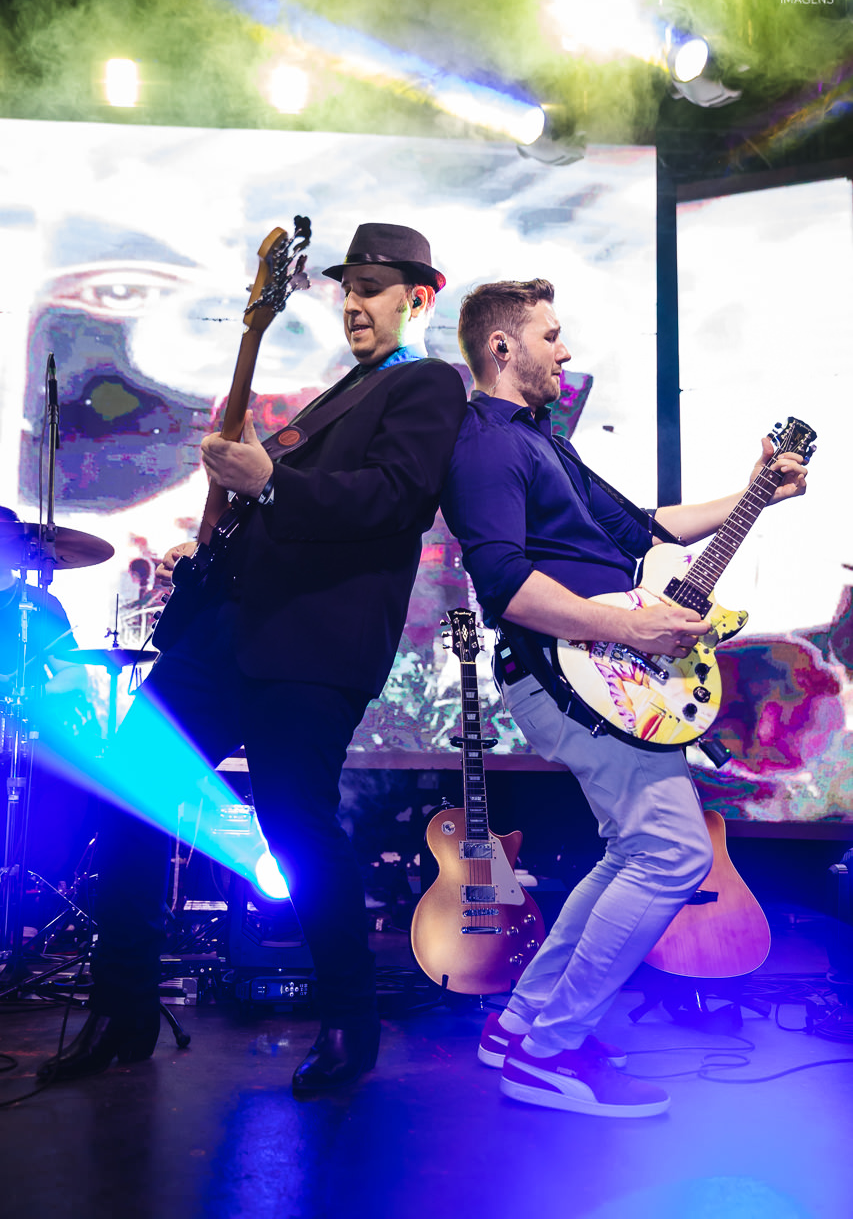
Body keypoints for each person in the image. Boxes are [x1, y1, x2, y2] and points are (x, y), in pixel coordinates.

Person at [38, 223, 468, 1091]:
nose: (353, 302)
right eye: (347, 286)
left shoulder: (425, 384)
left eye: (373, 287)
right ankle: (122, 1010)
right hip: (223, 629)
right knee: (127, 795)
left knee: (294, 825)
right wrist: (213, 544)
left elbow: (394, 498)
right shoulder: (340, 393)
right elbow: (272, 507)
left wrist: (267, 479)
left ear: (418, 298)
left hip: (310, 642)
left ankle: (348, 1021)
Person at [440, 278, 808, 1118]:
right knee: (672, 853)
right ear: (502, 346)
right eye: (550, 335)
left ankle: (521, 1023)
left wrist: (756, 492)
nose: (564, 351)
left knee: (629, 852)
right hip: (568, 673)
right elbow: (502, 582)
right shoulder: (486, 444)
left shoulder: (541, 441)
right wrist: (632, 630)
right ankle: (548, 1053)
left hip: (602, 675)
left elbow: (645, 530)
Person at [0, 506, 94, 894]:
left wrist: (23, 693)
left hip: (25, 732)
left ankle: (37, 894)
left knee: (70, 784)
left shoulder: (40, 603)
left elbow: (75, 676)